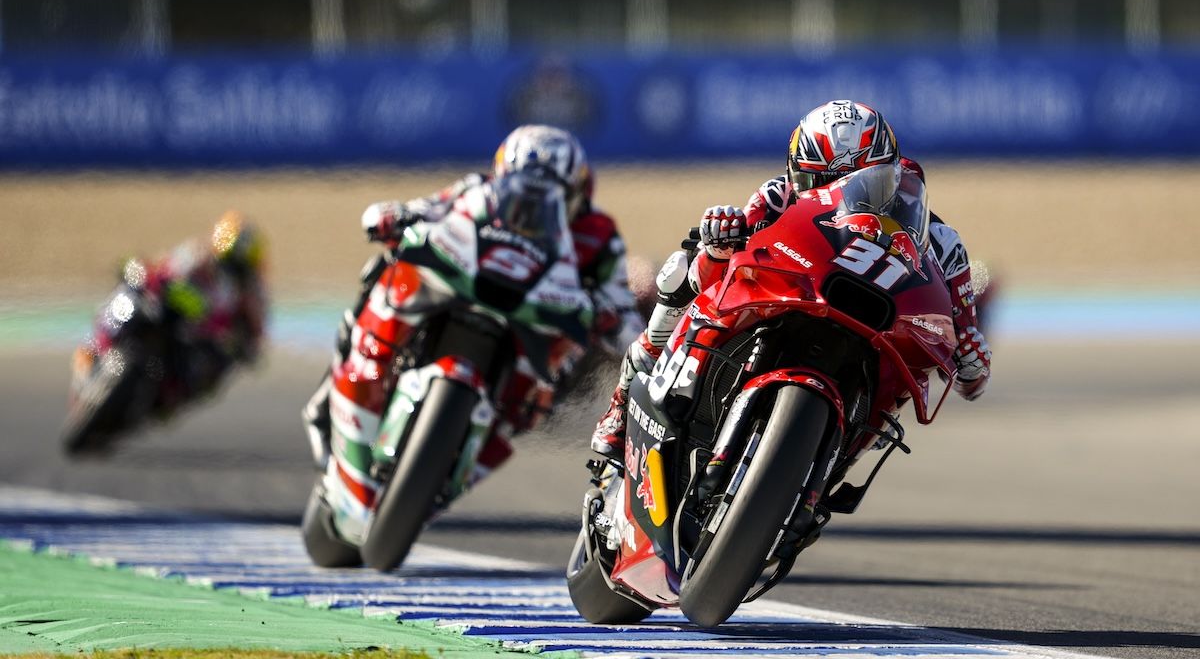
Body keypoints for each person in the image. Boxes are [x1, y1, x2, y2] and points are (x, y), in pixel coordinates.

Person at [591, 100, 992, 457]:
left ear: (891, 172)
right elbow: (724, 261)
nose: (838, 195)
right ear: (797, 175)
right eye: (818, 183)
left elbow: (967, 364)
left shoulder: (942, 243)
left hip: (874, 339)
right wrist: (719, 242)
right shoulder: (776, 195)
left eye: (864, 182)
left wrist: (972, 358)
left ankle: (820, 476)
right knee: (682, 270)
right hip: (790, 298)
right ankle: (622, 406)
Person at [304, 124, 646, 471]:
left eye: (553, 194)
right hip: (467, 282)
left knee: (567, 368)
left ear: (577, 194)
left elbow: (620, 301)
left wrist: (618, 324)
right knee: (388, 265)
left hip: (538, 320)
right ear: (500, 177)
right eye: (520, 187)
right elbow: (428, 209)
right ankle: (333, 382)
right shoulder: (475, 189)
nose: (532, 205)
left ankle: (490, 431)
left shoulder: (600, 234)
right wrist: (398, 216)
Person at [138, 211, 267, 409]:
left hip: (201, 339)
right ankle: (99, 344)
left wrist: (247, 345)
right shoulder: (197, 252)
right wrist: (151, 277)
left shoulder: (251, 290)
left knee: (219, 366)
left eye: (237, 267)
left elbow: (257, 330)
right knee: (133, 288)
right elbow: (167, 268)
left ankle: (172, 398)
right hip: (169, 312)